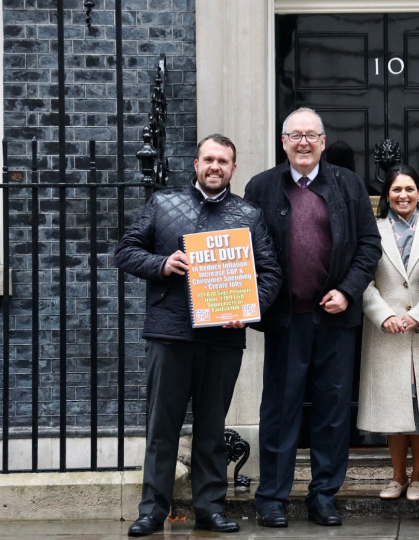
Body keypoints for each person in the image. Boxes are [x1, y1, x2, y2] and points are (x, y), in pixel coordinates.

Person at [114, 134, 282, 537]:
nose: (215, 167)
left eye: (223, 161)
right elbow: (125, 251)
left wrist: (247, 310)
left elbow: (271, 275)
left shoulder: (249, 215)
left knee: (211, 429)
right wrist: (162, 262)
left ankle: (210, 508)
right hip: (169, 334)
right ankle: (152, 511)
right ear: (196, 163)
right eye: (209, 159)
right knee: (162, 428)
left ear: (233, 168)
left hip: (222, 338)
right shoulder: (162, 204)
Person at [244, 108, 382, 527]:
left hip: (335, 319)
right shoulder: (261, 187)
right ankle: (271, 497)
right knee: (280, 410)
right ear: (283, 141)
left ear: (323, 142)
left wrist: (348, 291)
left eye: (311, 135)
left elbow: (369, 246)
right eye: (295, 135)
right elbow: (244, 248)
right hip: (286, 319)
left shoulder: (348, 184)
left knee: (332, 411)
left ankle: (323, 495)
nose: (303, 142)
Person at [356, 164, 419, 502]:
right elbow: (361, 276)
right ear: (387, 195)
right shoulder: (372, 229)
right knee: (395, 407)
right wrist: (383, 315)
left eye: (410, 189)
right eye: (396, 190)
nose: (403, 195)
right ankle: (397, 477)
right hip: (385, 332)